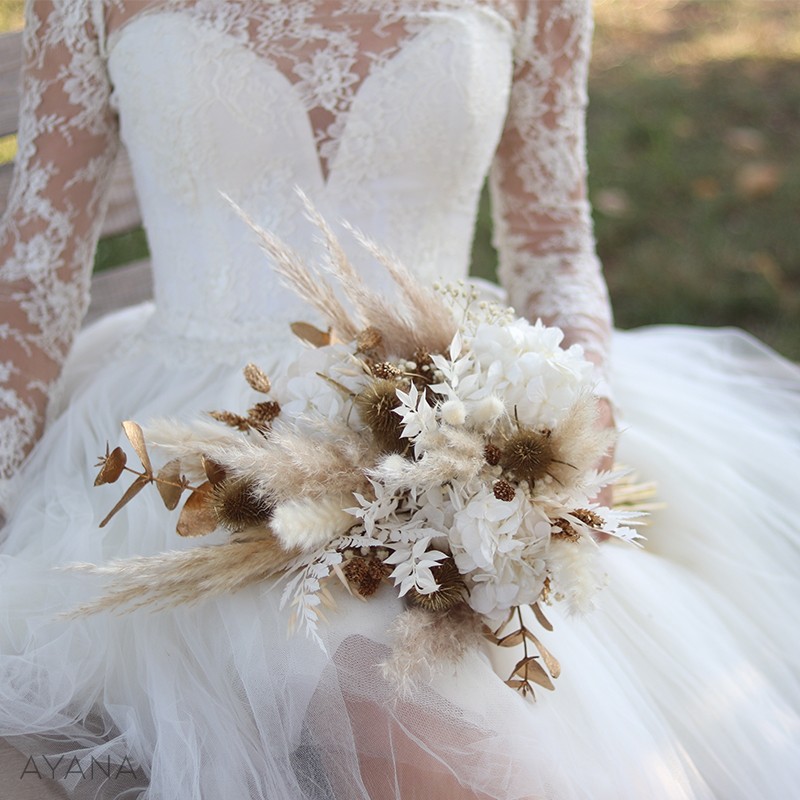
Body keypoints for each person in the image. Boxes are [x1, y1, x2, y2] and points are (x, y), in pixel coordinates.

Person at [0, 1, 798, 798]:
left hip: (462, 414)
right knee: (388, 719)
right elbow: (32, 282)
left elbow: (554, 246)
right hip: (192, 456)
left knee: (493, 710)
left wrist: (580, 419)